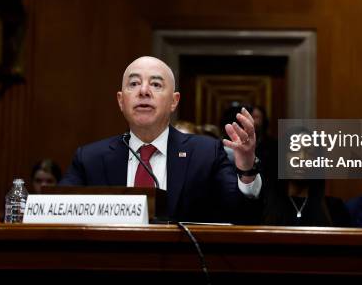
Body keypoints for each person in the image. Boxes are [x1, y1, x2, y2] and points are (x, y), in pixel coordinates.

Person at [60, 56, 262, 223]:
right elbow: (55, 212)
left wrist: (246, 170)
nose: (144, 91)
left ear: (174, 101)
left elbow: (241, 217)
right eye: (134, 83)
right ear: (121, 101)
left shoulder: (206, 154)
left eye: (156, 84)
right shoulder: (90, 158)